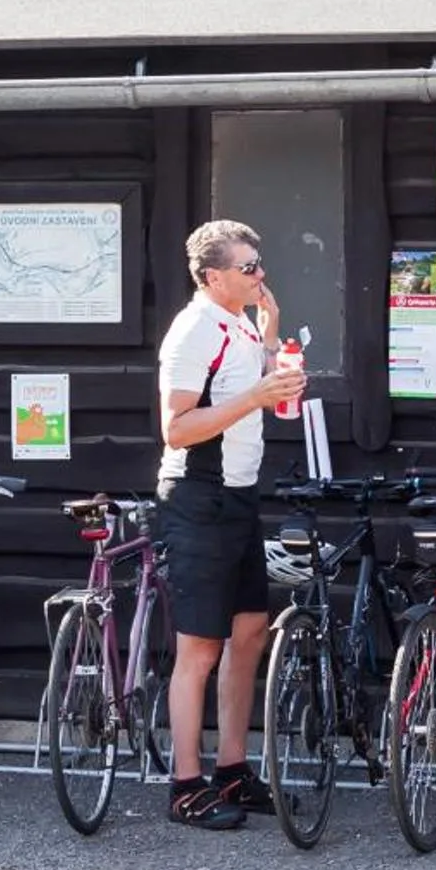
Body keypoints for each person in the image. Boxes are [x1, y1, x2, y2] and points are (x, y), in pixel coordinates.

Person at [153, 219, 306, 829]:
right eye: (248, 267)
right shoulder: (193, 331)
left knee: (249, 633)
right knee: (200, 647)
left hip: (240, 496)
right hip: (198, 495)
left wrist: (269, 343)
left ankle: (233, 770)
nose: (260, 274)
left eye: (260, 262)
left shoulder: (239, 323)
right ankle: (185, 785)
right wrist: (256, 398)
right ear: (213, 277)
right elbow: (178, 428)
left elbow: (249, 389)